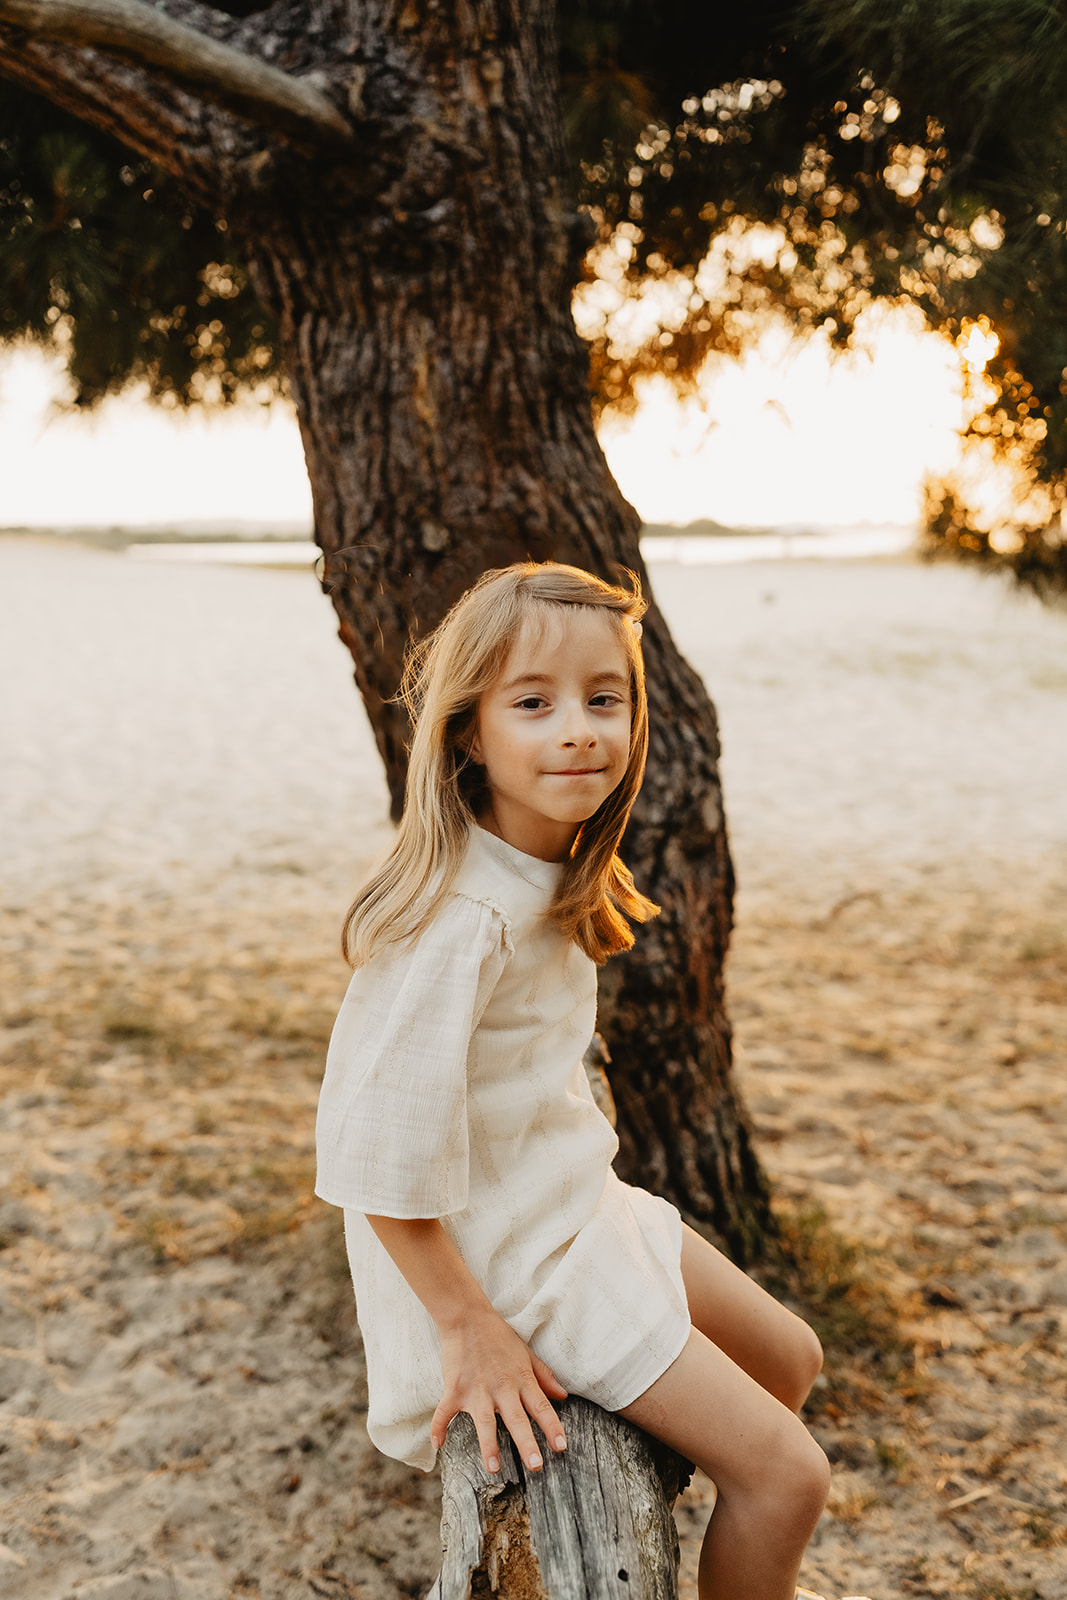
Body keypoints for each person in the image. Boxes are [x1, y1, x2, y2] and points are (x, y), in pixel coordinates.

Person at [315, 561, 831, 1600]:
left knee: (790, 1360)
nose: (578, 730)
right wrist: (468, 1327)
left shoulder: (539, 868)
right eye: (533, 702)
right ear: (469, 729)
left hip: (574, 1205)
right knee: (787, 1477)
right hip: (510, 1264)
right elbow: (367, 1154)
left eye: (605, 698)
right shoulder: (461, 918)